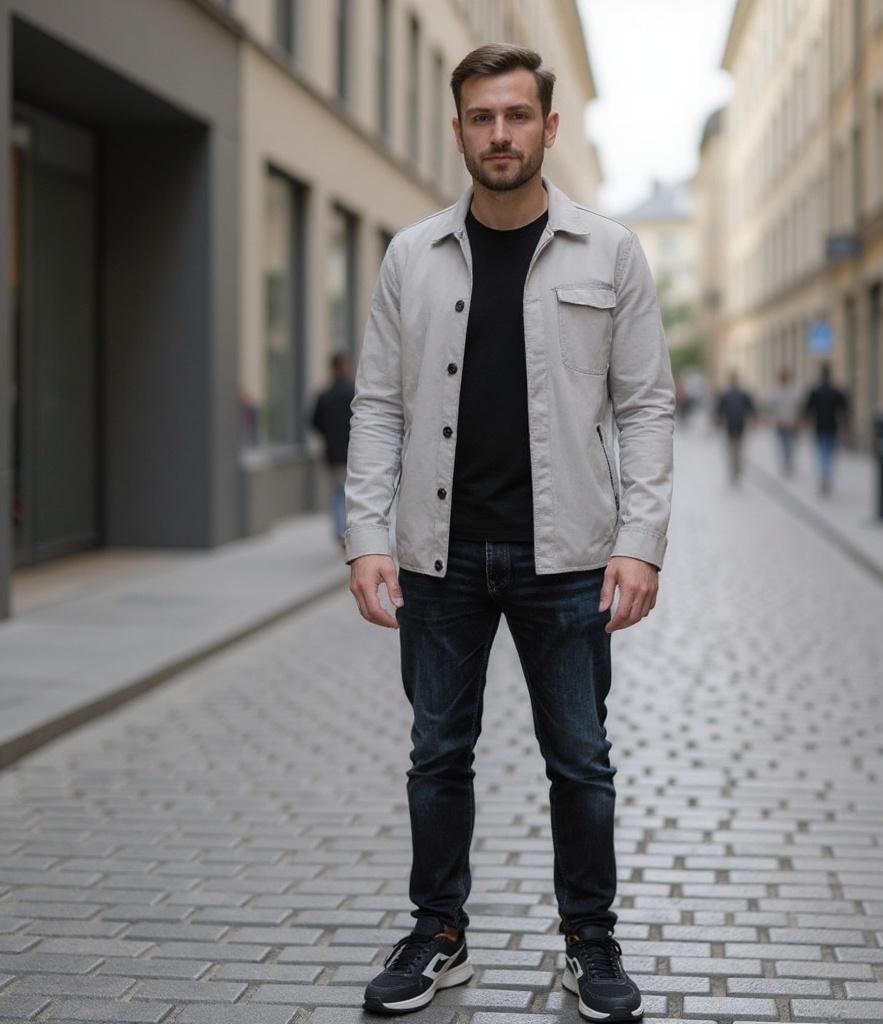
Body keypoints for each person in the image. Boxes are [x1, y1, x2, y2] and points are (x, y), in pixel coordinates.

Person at [345, 43, 674, 1023]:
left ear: (548, 127)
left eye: (516, 116)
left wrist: (641, 539)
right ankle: (435, 931)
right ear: (457, 131)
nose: (499, 134)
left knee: (579, 758)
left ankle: (590, 939)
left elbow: (647, 403)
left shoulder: (609, 252)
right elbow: (378, 406)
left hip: (567, 559)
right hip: (437, 558)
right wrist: (367, 533)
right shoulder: (411, 255)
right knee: (437, 752)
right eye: (481, 118)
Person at [310, 352, 355, 548]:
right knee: (348, 492)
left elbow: (314, 422)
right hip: (352, 451)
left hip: (333, 454)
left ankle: (340, 531)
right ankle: (346, 531)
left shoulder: (324, 396)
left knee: (338, 492)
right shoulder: (353, 393)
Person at [803, 362, 849, 495]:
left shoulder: (816, 390)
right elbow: (844, 410)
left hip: (819, 426)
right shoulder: (836, 391)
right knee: (829, 454)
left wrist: (805, 422)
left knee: (821, 454)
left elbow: (808, 408)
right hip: (832, 426)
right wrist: (846, 427)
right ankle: (827, 477)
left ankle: (823, 476)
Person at [714, 371, 756, 482]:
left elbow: (719, 411)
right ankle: (735, 466)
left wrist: (718, 422)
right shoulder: (736, 394)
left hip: (734, 425)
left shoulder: (731, 394)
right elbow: (751, 409)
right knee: (736, 448)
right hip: (736, 425)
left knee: (734, 448)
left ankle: (735, 466)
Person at [768, 367, 802, 476]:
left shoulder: (793, 392)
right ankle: (785, 464)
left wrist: (797, 421)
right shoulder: (776, 392)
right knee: (782, 445)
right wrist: (773, 418)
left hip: (791, 423)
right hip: (781, 423)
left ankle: (789, 463)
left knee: (790, 444)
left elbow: (798, 407)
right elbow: (772, 408)